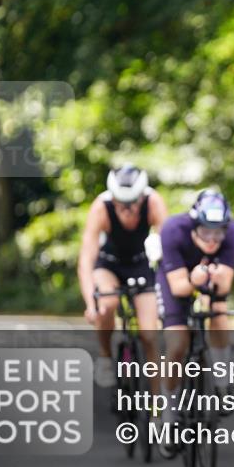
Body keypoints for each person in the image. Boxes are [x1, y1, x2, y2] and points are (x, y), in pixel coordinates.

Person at [155, 189, 234, 452]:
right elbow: (180, 287)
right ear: (194, 226)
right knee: (178, 343)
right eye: (206, 231)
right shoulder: (173, 229)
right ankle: (168, 415)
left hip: (207, 280)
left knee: (219, 313)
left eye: (218, 232)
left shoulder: (233, 232)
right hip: (177, 280)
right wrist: (196, 279)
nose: (213, 239)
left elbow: (225, 282)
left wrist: (211, 281)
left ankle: (221, 384)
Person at [77, 164, 167, 390]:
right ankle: (106, 356)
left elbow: (170, 249)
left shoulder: (154, 202)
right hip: (109, 264)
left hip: (140, 264)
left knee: (149, 334)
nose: (127, 210)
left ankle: (158, 409)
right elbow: (86, 260)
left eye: (133, 203)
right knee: (107, 303)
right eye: (121, 204)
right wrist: (91, 302)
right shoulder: (101, 207)